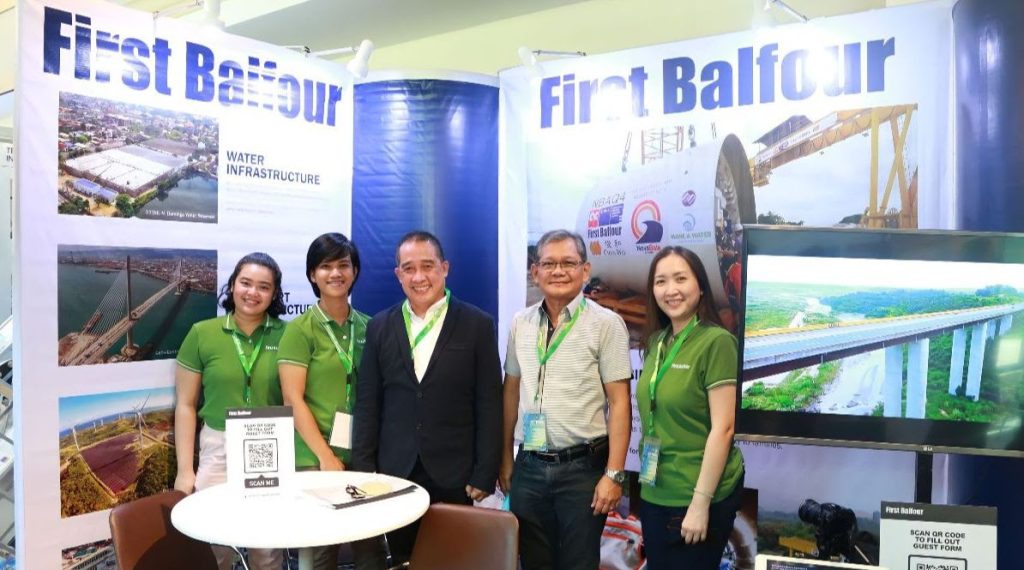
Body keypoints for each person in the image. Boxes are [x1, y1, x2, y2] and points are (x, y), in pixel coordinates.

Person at [352, 230, 502, 567]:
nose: (419, 277)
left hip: (456, 474)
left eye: (428, 266)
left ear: (445, 268)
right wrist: (363, 468)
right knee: (406, 560)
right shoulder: (379, 326)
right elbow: (368, 402)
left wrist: (484, 472)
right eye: (409, 268)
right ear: (398, 274)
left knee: (452, 559)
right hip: (396, 471)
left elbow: (489, 403)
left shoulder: (477, 324)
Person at [499, 229, 632, 570]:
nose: (558, 271)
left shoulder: (607, 324)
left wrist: (614, 474)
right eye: (549, 263)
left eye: (568, 263)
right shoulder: (520, 323)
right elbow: (511, 391)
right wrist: (505, 458)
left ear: (585, 270)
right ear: (535, 272)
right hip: (529, 465)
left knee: (578, 563)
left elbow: (619, 403)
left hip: (583, 471)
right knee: (534, 561)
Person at [174, 252, 286, 570]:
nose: (253, 293)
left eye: (263, 287)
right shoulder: (202, 333)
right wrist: (185, 470)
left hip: (268, 446)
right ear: (232, 286)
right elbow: (185, 405)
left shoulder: (288, 334)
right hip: (218, 444)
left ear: (274, 294)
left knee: (266, 550)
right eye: (245, 283)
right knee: (214, 546)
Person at [636, 246, 745, 569]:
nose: (671, 290)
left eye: (680, 279)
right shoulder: (657, 342)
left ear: (700, 286)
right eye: (661, 281)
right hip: (656, 490)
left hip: (697, 492)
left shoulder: (717, 342)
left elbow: (723, 429)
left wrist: (700, 503)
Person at [277, 233, 370, 569]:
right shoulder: (300, 330)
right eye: (325, 266)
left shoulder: (369, 327)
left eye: (343, 265)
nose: (335, 273)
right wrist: (325, 455)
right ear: (312, 275)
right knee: (320, 552)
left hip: (360, 455)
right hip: (313, 458)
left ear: (355, 271)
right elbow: (292, 398)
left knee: (366, 544)